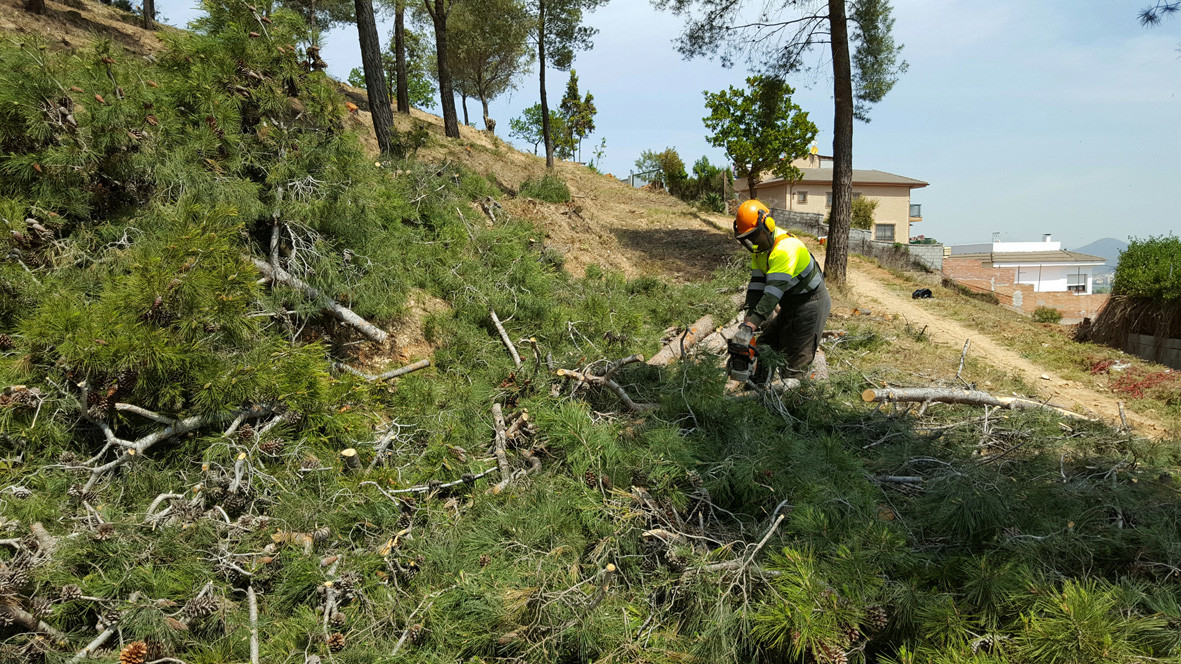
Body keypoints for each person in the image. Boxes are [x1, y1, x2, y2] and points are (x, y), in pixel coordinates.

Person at [731, 199, 831, 382]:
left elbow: (771, 294)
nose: (753, 243)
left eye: (755, 236)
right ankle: (757, 392)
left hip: (811, 303)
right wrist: (747, 321)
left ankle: (793, 403)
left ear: (768, 225)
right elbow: (756, 287)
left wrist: (751, 325)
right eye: (748, 238)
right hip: (791, 304)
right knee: (764, 345)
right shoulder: (759, 250)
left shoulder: (785, 249)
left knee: (796, 362)